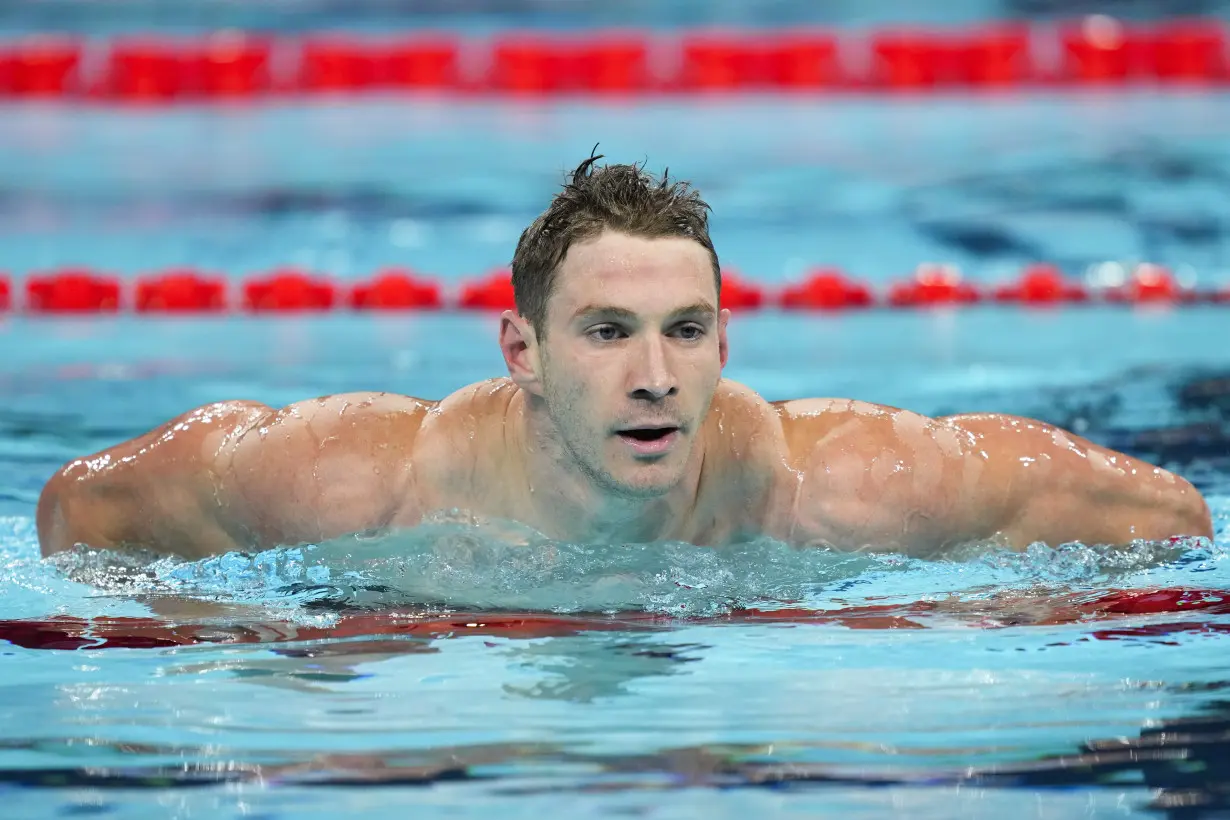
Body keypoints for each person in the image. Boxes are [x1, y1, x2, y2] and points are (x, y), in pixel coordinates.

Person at [37, 155, 1212, 560]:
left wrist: (1006, 613)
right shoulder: (363, 479)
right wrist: (238, 639)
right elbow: (77, 511)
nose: (656, 374)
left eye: (685, 332)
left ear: (724, 343)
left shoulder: (837, 484)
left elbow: (1168, 519)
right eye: (608, 333)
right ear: (523, 351)